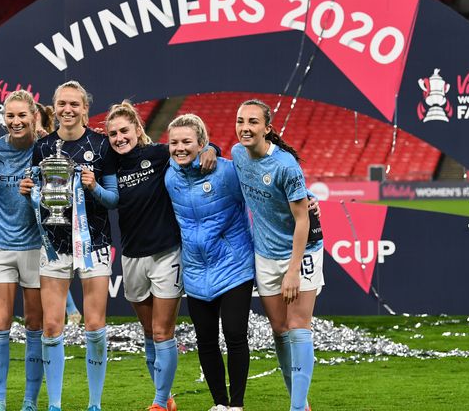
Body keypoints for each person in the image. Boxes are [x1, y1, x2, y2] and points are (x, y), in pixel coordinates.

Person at [105, 102, 218, 411]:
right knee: (148, 333)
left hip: (167, 254)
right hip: (131, 257)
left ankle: (157, 402)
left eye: (124, 131)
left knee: (161, 331)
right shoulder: (110, 165)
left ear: (137, 130)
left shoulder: (157, 155)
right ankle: (165, 398)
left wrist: (215, 149)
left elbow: (192, 150)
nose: (119, 138)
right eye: (113, 133)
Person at [22, 80, 118, 411]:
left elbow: (113, 198)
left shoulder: (103, 146)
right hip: (53, 244)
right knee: (51, 325)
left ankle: (94, 404)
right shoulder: (42, 147)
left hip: (94, 244)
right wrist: (28, 191)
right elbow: (38, 195)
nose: (68, 109)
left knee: (94, 324)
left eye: (74, 104)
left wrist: (92, 187)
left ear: (85, 110)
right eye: (62, 103)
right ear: (55, 107)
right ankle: (55, 404)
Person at [232, 99, 323, 411]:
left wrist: (294, 270)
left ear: (267, 129)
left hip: (301, 252)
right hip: (265, 254)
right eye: (241, 121)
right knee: (280, 329)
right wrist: (208, 150)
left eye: (253, 122)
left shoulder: (285, 166)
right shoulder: (236, 154)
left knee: (299, 325)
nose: (245, 127)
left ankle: (297, 408)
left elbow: (302, 219)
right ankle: (302, 403)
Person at [164, 114, 254, 411]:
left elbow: (264, 188)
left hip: (234, 267)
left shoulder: (226, 172)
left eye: (187, 141)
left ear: (200, 143)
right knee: (206, 340)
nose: (180, 148)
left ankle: (237, 404)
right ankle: (220, 403)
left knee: (234, 334)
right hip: (195, 270)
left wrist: (307, 198)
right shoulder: (169, 177)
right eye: (174, 142)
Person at [0, 90, 44, 411]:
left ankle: (30, 403)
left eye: (22, 115)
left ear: (34, 116)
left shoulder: (46, 148)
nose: (16, 121)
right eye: (10, 116)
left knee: (35, 325)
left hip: (36, 249)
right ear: (3, 117)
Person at [35, 100, 82, 325]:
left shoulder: (50, 147)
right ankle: (66, 311)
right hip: (27, 221)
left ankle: (70, 310)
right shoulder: (18, 146)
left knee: (53, 266)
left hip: (49, 220)